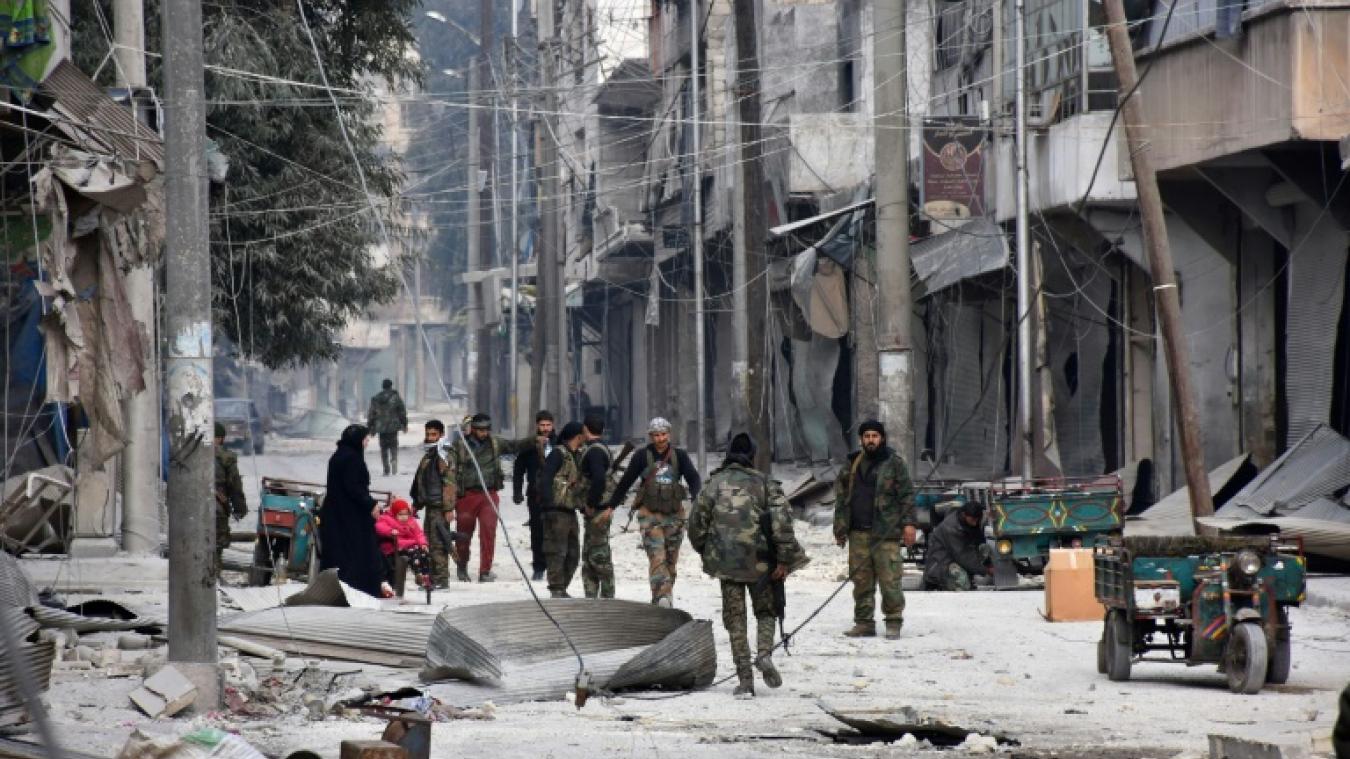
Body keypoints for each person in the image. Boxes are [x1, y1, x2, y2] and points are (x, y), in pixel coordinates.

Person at [688, 432, 809, 699]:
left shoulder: (713, 484)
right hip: (762, 563)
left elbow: (696, 524)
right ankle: (764, 654)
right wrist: (786, 560)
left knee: (736, 621)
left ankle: (744, 681)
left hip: (726, 564)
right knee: (766, 612)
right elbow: (782, 525)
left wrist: (708, 552)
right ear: (752, 456)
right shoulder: (765, 483)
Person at [605, 416, 702, 606]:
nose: (660, 439)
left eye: (663, 434)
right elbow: (626, 482)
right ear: (651, 436)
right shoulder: (642, 456)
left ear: (669, 434)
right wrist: (611, 506)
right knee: (657, 558)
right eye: (656, 435)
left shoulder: (679, 456)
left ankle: (662, 595)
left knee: (671, 562)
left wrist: (697, 499)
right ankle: (661, 598)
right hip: (649, 515)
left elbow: (693, 478)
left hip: (674, 516)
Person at [833, 419, 915, 640]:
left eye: (875, 436)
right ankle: (864, 623)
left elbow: (906, 495)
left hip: (885, 533)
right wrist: (840, 528)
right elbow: (842, 498)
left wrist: (908, 524)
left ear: (882, 438)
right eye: (867, 436)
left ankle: (893, 622)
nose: (871, 440)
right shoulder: (852, 464)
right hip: (858, 533)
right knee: (861, 581)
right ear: (861, 439)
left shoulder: (894, 463)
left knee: (890, 580)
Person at [448, 413, 531, 582]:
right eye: (480, 430)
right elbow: (449, 472)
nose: (484, 433)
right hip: (466, 496)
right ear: (472, 429)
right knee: (463, 534)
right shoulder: (460, 446)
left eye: (486, 430)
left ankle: (485, 570)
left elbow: (515, 445)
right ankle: (462, 566)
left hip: (489, 495)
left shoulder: (495, 443)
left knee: (488, 532)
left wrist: (534, 440)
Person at [318, 424, 387, 597]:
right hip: (350, 516)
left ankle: (335, 589)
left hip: (336, 513)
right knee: (357, 552)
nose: (367, 443)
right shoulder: (352, 459)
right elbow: (354, 488)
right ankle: (357, 590)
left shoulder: (338, 456)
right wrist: (371, 504)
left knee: (338, 552)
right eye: (365, 439)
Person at [539, 421, 586, 597]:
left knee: (573, 554)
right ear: (577, 435)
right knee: (556, 552)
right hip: (556, 511)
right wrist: (548, 505)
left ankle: (562, 587)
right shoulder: (558, 454)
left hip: (570, 510)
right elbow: (545, 478)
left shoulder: (576, 455)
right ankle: (556, 589)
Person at [512, 410, 557, 582]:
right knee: (537, 531)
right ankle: (539, 566)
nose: (545, 428)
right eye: (542, 425)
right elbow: (518, 470)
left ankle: (554, 565)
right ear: (537, 426)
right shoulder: (529, 446)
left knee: (554, 532)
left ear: (553, 425)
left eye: (548, 425)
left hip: (556, 495)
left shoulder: (559, 443)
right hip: (535, 494)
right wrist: (517, 492)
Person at [409, 419, 455, 588]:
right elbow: (422, 481)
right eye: (428, 434)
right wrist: (417, 503)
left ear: (441, 435)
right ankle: (433, 579)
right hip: (430, 506)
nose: (430, 437)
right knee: (428, 543)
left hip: (439, 508)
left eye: (434, 434)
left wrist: (449, 508)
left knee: (439, 545)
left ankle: (441, 580)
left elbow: (449, 483)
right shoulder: (430, 455)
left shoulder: (443, 455)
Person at [578, 413, 616, 598]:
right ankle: (591, 596)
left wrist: (591, 503)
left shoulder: (594, 451)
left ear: (585, 429)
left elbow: (599, 479)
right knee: (590, 556)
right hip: (599, 510)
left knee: (598, 556)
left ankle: (607, 598)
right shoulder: (600, 448)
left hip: (598, 510)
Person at [922, 501, 992, 591]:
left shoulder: (969, 522)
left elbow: (979, 542)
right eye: (972, 520)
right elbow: (964, 556)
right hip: (942, 562)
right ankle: (940, 585)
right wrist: (986, 570)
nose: (975, 523)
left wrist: (988, 563)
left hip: (956, 557)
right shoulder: (951, 529)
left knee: (984, 548)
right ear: (964, 515)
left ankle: (969, 576)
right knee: (963, 583)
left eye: (977, 520)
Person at [375, 499, 433, 597]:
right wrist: (390, 531)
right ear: (395, 514)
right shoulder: (387, 519)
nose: (404, 517)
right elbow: (379, 526)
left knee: (424, 553)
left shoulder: (411, 521)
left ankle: (425, 576)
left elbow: (419, 534)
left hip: (411, 545)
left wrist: (423, 544)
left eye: (406, 514)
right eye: (401, 514)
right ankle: (418, 573)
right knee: (413, 553)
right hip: (396, 546)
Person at [214, 422, 248, 576]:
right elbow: (234, 485)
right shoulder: (225, 457)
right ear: (220, 439)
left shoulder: (188, 453)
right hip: (216, 506)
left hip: (190, 507)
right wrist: (239, 509)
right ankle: (213, 576)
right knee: (217, 545)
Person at [367, 379, 408, 476]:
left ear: (383, 386)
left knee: (383, 447)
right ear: (391, 386)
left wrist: (370, 427)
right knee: (393, 445)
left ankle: (386, 469)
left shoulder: (376, 398)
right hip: (393, 426)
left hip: (381, 427)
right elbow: (402, 412)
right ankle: (393, 460)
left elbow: (371, 414)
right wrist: (404, 424)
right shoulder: (396, 397)